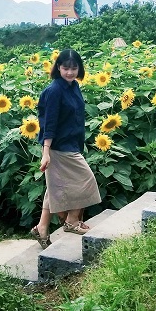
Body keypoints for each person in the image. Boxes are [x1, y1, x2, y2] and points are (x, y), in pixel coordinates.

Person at [30, 49, 101, 248]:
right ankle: (71, 220)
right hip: (58, 147)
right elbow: (49, 123)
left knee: (55, 187)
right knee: (86, 179)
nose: (70, 72)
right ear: (58, 68)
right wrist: (46, 153)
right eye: (65, 68)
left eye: (74, 68)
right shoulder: (54, 91)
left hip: (72, 143)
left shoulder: (73, 86)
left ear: (79, 69)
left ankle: (42, 228)